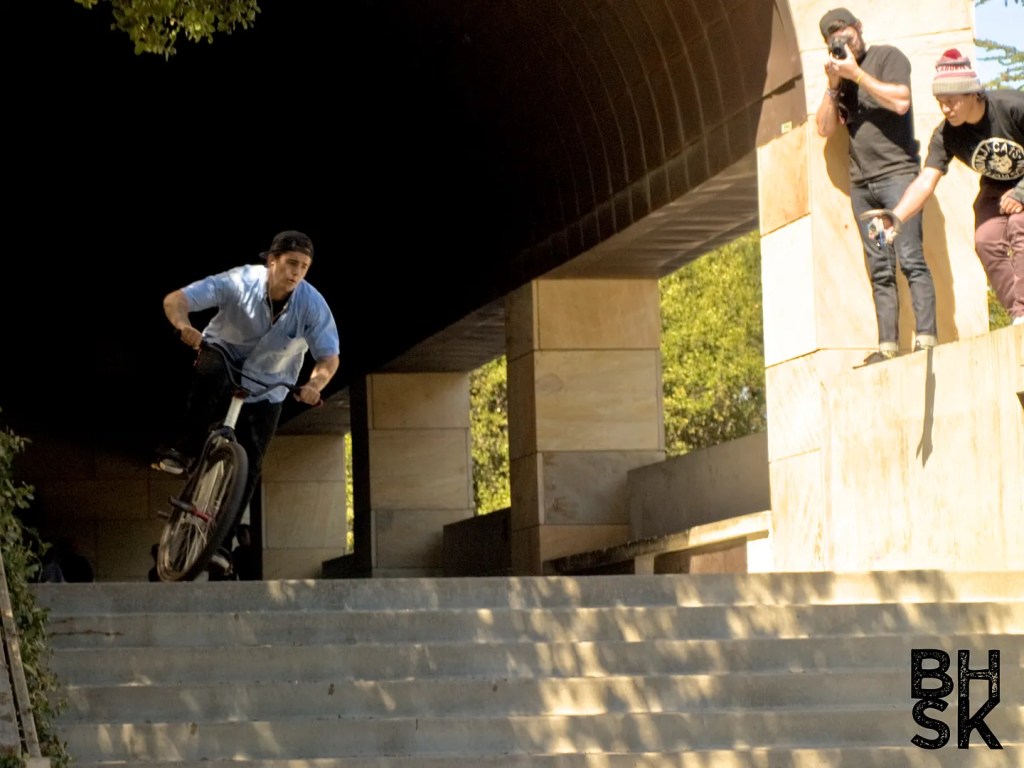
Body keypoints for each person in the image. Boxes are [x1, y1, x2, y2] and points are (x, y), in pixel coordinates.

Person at [157, 230, 340, 578]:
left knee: (252, 463)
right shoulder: (239, 281)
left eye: (304, 267)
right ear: (271, 261)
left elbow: (329, 357)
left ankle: (221, 544)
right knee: (210, 370)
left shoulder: (312, 305)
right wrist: (184, 326)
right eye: (291, 263)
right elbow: (176, 299)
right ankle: (185, 449)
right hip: (224, 358)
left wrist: (315, 385)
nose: (296, 272)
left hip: (269, 384)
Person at [815, 7, 938, 366]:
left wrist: (857, 74)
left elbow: (901, 101)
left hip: (899, 180)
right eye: (834, 40)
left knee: (910, 258)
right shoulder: (842, 81)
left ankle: (927, 342)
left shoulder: (887, 58)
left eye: (846, 34)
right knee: (880, 268)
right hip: (864, 190)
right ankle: (887, 349)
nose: (843, 42)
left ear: (859, 28)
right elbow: (824, 128)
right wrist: (833, 85)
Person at [879, 49, 1024, 327]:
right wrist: (897, 216)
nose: (945, 109)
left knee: (1020, 225)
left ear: (972, 94)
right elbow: (926, 180)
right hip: (995, 187)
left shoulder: (1012, 106)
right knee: (986, 239)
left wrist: (1021, 193)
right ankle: (1019, 315)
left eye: (951, 101)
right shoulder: (946, 134)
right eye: (940, 102)